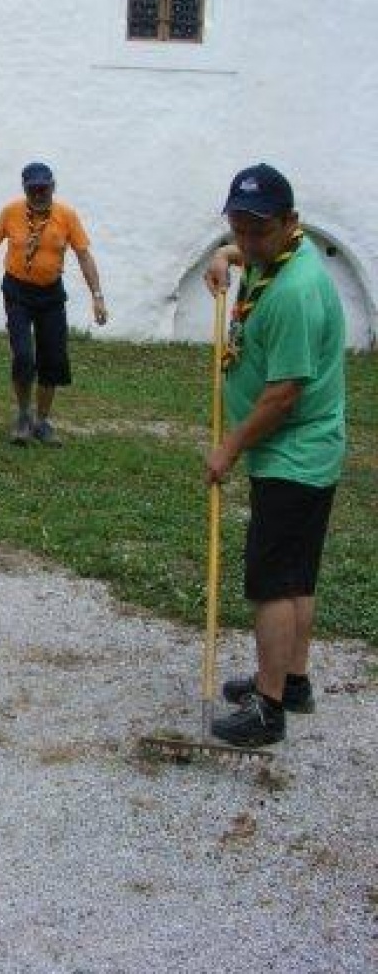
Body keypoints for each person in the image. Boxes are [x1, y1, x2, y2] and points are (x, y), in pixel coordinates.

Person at [201, 163, 345, 748]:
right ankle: (294, 680)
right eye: (239, 228)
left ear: (291, 222)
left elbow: (284, 394)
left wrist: (229, 447)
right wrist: (225, 257)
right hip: (307, 451)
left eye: (259, 230)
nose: (249, 241)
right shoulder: (277, 259)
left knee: (269, 583)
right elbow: (248, 256)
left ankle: (269, 708)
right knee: (296, 577)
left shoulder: (294, 292)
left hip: (293, 452)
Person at [0, 162, 108, 446]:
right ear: (25, 189)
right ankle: (23, 415)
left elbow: (84, 255)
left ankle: (42, 421)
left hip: (51, 294)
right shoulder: (11, 212)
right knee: (24, 356)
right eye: (33, 189)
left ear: (53, 186)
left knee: (53, 358)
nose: (39, 193)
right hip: (17, 292)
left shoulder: (66, 216)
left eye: (44, 188)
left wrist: (97, 296)